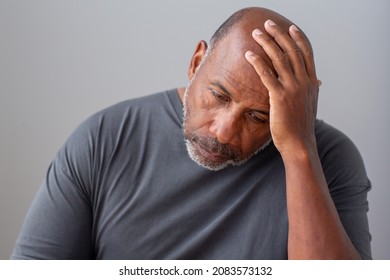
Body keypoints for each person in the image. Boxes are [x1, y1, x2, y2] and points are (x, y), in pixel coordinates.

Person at [11, 7, 371, 260]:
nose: (224, 131)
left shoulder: (328, 159)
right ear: (196, 63)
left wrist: (299, 150)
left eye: (259, 116)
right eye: (219, 95)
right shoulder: (105, 138)